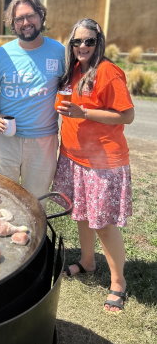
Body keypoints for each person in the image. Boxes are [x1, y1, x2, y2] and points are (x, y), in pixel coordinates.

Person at [52, 18, 134, 312]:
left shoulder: (108, 71)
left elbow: (126, 116)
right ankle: (87, 261)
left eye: (89, 41)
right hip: (74, 156)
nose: (83, 46)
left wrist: (83, 112)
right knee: (81, 213)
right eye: (77, 42)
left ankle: (118, 282)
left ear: (99, 43)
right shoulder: (74, 70)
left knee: (104, 224)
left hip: (103, 161)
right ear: (71, 45)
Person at [0, 0, 65, 198]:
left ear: (41, 16)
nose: (26, 22)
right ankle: (3, 231)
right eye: (19, 19)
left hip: (43, 141)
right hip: (6, 138)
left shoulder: (59, 52)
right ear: (13, 23)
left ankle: (34, 232)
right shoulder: (2, 54)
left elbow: (70, 88)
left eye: (30, 16)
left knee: (36, 199)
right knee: (0, 196)